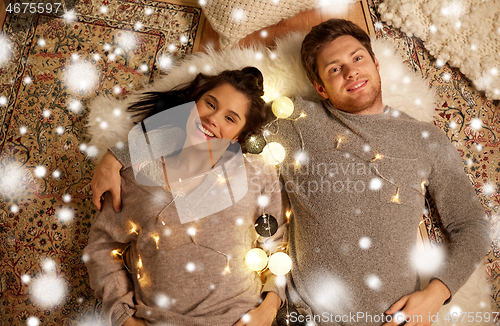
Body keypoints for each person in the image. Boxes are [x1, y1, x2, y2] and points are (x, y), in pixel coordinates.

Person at [91, 20, 491, 325]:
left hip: (389, 316)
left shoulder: (425, 138)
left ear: (374, 62)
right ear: (319, 87)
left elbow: (471, 225)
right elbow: (211, 126)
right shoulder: (295, 121)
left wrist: (437, 293)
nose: (350, 72)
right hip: (301, 314)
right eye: (334, 69)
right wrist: (118, 154)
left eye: (357, 58)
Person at [84, 67, 287, 326]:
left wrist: (269, 306)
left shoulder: (258, 174)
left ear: (237, 137)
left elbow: (277, 241)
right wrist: (123, 317)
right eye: (210, 104)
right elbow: (101, 249)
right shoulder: (134, 177)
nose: (213, 118)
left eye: (230, 118)